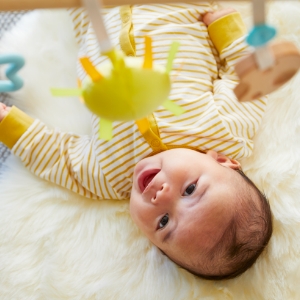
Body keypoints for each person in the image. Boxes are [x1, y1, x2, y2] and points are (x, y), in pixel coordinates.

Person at [0, 3, 272, 280]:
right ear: (223, 161)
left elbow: (56, 157)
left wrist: (9, 124)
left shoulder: (108, 177)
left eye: (164, 222)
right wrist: (226, 28)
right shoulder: (225, 132)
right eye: (190, 190)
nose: (161, 195)